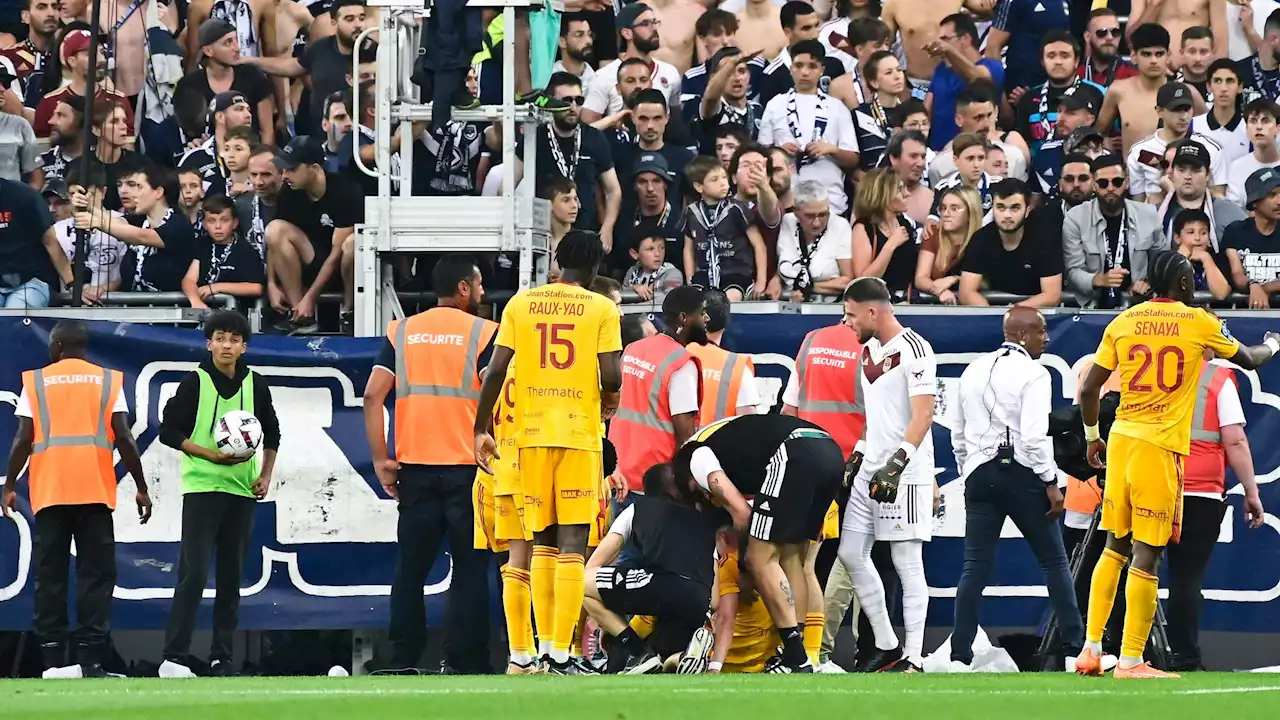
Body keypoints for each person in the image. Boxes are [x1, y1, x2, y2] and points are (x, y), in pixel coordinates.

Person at [1075, 251, 1278, 679]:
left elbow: (1091, 386)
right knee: (1147, 555)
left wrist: (1093, 437)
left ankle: (1091, 649)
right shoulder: (1197, 321)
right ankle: (1130, 660)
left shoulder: (1123, 321)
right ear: (1185, 286)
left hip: (1122, 440)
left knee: (1114, 546)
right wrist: (1274, 343)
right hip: (1159, 447)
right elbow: (1249, 357)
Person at [474, 231, 624, 675]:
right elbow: (612, 374)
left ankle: (533, 652)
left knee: (538, 543)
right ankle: (561, 651)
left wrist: (481, 428)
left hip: (529, 437)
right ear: (596, 270)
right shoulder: (601, 307)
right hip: (577, 434)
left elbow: (496, 370)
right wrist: (609, 393)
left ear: (556, 260)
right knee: (573, 544)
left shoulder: (521, 303)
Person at [364, 255, 496, 675]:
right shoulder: (484, 332)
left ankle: (402, 658)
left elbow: (372, 395)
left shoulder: (401, 331)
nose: (481, 293)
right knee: (470, 570)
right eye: (478, 286)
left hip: (415, 468)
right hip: (468, 469)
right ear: (463, 288)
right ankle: (464, 660)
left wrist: (382, 459)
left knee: (411, 569)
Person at [2, 321, 150, 679]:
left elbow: (24, 438)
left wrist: (8, 485)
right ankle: (90, 661)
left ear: (56, 346)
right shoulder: (107, 381)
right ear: (84, 348)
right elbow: (126, 439)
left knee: (50, 576)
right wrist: (141, 486)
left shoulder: (35, 383)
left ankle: (52, 661)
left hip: (51, 493)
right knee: (95, 576)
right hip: (94, 491)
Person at [949, 306, 1083, 672]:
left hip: (979, 473)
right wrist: (1051, 482)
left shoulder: (973, 370)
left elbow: (957, 432)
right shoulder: (1035, 374)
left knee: (974, 566)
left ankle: (960, 656)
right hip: (1023, 473)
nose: (1047, 338)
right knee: (1054, 562)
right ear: (1023, 335)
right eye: (1041, 331)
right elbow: (1034, 436)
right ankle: (1074, 651)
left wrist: (969, 470)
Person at [157, 310, 279, 678]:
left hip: (242, 491)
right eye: (220, 338)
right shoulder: (195, 382)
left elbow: (272, 433)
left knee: (231, 576)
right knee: (193, 572)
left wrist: (266, 475)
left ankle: (221, 657)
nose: (227, 346)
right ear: (209, 343)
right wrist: (210, 454)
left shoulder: (255, 384)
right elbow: (168, 431)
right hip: (203, 488)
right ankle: (174, 655)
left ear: (244, 346)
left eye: (234, 340)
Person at [674, 413, 844, 673]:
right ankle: (794, 654)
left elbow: (742, 513)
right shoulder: (729, 441)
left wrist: (745, 566)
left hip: (795, 452)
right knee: (791, 558)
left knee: (759, 558)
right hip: (829, 451)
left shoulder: (696, 458)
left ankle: (796, 657)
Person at [836, 277, 937, 673]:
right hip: (871, 466)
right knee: (850, 553)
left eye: (851, 315)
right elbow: (874, 416)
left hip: (905, 471)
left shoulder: (916, 349)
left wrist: (897, 464)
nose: (847, 323)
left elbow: (923, 414)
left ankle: (914, 655)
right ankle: (887, 642)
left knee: (907, 561)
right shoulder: (868, 351)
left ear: (873, 311)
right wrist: (859, 455)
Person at [1165, 350, 1263, 672]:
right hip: (1200, 491)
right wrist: (1251, 492)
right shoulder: (1218, 379)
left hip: (1153, 486)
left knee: (1139, 571)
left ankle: (1132, 653)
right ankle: (1184, 657)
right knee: (1187, 578)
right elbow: (1235, 440)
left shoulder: (1150, 373)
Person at [779, 312, 865, 674]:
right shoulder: (871, 347)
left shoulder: (811, 341)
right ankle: (851, 651)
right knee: (859, 560)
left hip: (808, 465)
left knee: (803, 562)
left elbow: (789, 409)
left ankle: (804, 652)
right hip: (856, 466)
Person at [584, 463, 719, 674]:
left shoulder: (637, 508)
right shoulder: (704, 524)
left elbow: (593, 567)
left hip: (665, 585)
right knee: (664, 661)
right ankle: (682, 657)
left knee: (580, 583)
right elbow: (716, 599)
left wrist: (607, 619)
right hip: (698, 602)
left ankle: (638, 654)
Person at [610, 284, 707, 494]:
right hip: (655, 480)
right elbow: (685, 435)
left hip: (619, 474)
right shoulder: (681, 363)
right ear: (684, 318)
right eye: (701, 313)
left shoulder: (633, 348)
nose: (706, 319)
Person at [265, 135, 364, 333]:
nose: (284, 176)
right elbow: (273, 243)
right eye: (283, 169)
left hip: (343, 266)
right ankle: (299, 315)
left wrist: (311, 297)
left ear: (315, 168)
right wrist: (271, 283)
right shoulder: (289, 192)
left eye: (291, 169)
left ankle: (348, 312)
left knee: (351, 245)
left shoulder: (346, 191)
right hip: (309, 259)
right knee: (274, 229)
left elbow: (336, 256)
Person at [1063, 155, 1164, 309]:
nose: (1110, 188)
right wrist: (1099, 280)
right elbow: (1073, 271)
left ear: (1127, 183)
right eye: (1103, 183)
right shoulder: (1075, 218)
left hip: (1139, 306)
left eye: (1117, 182)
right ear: (1094, 185)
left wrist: (1149, 284)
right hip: (1093, 308)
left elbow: (1162, 262)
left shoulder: (1148, 214)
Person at [1097, 24, 1199, 158]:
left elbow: (1206, 134)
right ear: (1134, 56)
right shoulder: (1118, 91)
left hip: (1175, 174)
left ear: (1168, 55)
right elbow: (1098, 134)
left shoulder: (1187, 93)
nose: (1153, 60)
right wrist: (1107, 145)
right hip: (1131, 175)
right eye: (1146, 54)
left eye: (1159, 54)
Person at [958, 178, 1063, 308]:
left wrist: (1011, 313)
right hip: (993, 309)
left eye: (1015, 208)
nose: (1007, 215)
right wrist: (992, 315)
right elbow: (966, 292)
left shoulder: (1045, 238)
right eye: (1000, 207)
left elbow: (1052, 295)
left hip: (1037, 313)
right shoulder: (981, 238)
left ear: (1028, 209)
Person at [1126, 82, 1227, 204]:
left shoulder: (1211, 148)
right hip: (1154, 216)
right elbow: (1137, 202)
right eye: (1176, 110)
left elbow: (1219, 196)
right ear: (1159, 111)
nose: (1184, 116)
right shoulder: (1139, 151)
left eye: (1187, 109)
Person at [681, 156, 766, 299]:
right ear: (699, 187)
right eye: (715, 180)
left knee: (729, 299)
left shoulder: (737, 209)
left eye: (724, 178)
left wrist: (761, 282)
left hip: (736, 273)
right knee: (693, 300)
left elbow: (759, 245)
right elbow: (688, 249)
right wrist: (690, 278)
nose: (723, 183)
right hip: (704, 274)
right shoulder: (691, 212)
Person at [921, 13, 1005, 152]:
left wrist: (948, 50)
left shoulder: (992, 66)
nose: (940, 44)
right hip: (940, 153)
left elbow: (977, 77)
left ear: (965, 39)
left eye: (945, 39)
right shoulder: (941, 69)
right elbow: (927, 109)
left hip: (977, 152)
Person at [685, 288, 760, 423]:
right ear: (726, 323)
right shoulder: (737, 367)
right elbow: (749, 426)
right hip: (718, 443)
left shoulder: (675, 356)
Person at [1157, 140, 1248, 250]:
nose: (1188, 176)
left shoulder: (1230, 214)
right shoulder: (1154, 214)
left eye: (1195, 170)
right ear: (1172, 173)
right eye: (1181, 170)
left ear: (1207, 175)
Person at [774, 179, 855, 301]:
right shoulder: (788, 222)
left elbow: (847, 281)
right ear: (796, 212)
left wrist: (809, 287)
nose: (817, 223)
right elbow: (787, 259)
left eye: (823, 215)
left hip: (827, 305)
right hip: (788, 302)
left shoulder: (840, 225)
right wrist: (776, 279)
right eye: (810, 216)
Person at [182, 194, 266, 309]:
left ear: (234, 223)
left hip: (234, 315)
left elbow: (256, 288)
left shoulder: (245, 249)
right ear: (204, 224)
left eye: (224, 220)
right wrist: (195, 301)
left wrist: (217, 287)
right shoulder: (201, 244)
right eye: (211, 221)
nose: (218, 226)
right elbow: (189, 279)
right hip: (205, 312)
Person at [1224, 167, 1280, 309]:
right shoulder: (1234, 231)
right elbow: (1237, 273)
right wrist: (1252, 285)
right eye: (1272, 195)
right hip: (1244, 316)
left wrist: (1264, 288)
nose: (1279, 201)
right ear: (1255, 201)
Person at [914, 185, 979, 304]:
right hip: (935, 305)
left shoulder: (981, 238)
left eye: (954, 209)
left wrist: (954, 279)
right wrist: (940, 290)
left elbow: (985, 281)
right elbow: (920, 278)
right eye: (943, 208)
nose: (946, 214)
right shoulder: (933, 232)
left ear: (970, 212)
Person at [1193, 59, 1249, 167]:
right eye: (1217, 81)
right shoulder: (1193, 126)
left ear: (1240, 87)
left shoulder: (1250, 130)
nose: (1223, 88)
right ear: (1208, 86)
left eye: (1230, 81)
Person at [1227, 98, 1280, 207]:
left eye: (1266, 121)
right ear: (1246, 129)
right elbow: (1235, 209)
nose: (1259, 127)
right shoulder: (1237, 167)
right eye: (1253, 121)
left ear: (1278, 128)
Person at [1174, 208, 1234, 301]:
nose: (1197, 238)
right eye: (1190, 232)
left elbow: (1222, 294)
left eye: (1203, 233)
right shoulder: (1167, 260)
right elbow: (1167, 293)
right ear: (1177, 237)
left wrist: (1206, 258)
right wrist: (1180, 261)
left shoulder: (1220, 259)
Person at [625, 224, 685, 307]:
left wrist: (636, 307)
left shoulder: (673, 274)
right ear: (634, 254)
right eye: (650, 249)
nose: (657, 254)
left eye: (662, 248)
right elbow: (620, 294)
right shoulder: (632, 272)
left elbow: (670, 299)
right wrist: (633, 288)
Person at [1078, 8, 1139, 88]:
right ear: (1087, 37)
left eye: (1115, 32)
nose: (1110, 37)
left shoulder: (1135, 76)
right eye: (1102, 32)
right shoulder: (1076, 75)